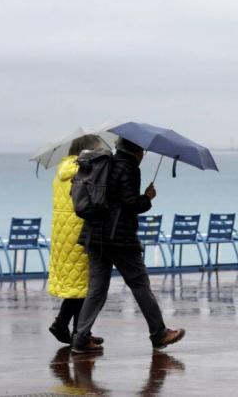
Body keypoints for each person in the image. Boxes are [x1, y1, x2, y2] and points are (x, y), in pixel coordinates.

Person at [72, 137, 185, 353]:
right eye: (142, 151)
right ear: (136, 151)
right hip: (119, 238)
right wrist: (148, 197)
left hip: (94, 235)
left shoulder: (105, 164)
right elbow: (130, 204)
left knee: (96, 290)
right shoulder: (129, 167)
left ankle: (80, 339)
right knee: (140, 284)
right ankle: (159, 333)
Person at [48, 134, 105, 345]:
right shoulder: (84, 172)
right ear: (88, 151)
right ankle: (74, 330)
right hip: (80, 231)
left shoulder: (61, 171)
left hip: (62, 233)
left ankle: (72, 329)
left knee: (77, 284)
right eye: (97, 149)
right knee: (85, 285)